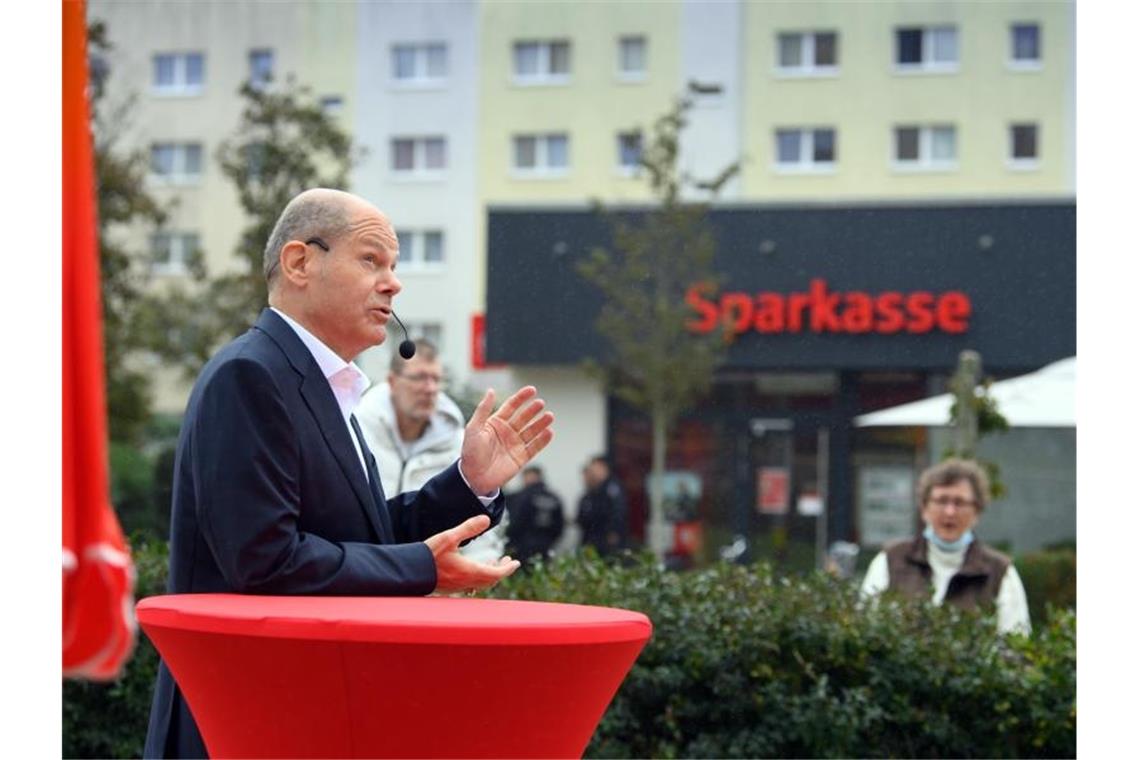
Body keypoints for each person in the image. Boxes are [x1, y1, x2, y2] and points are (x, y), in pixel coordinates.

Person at [143, 188, 554, 759]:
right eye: (371, 260)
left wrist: (470, 483)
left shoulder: (316, 383)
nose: (393, 283)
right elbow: (264, 559)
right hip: (240, 721)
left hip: (299, 714)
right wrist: (419, 568)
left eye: (394, 266)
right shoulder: (250, 375)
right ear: (300, 262)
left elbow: (359, 535)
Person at [354, 339, 507, 563]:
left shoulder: (459, 444)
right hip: (362, 573)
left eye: (436, 379)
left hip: (436, 586)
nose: (430, 388)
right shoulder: (357, 433)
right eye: (419, 377)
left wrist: (477, 568)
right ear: (392, 381)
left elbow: (481, 530)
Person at [860, 458, 1031, 635]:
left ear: (977, 512)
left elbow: (1016, 643)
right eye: (942, 501)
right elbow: (866, 630)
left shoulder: (1000, 572)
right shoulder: (890, 560)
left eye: (959, 502)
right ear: (924, 508)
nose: (950, 512)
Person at [505, 465, 565, 564]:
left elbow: (514, 522)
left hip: (521, 549)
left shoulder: (521, 496)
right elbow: (559, 526)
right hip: (545, 547)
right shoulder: (554, 497)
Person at [576, 455, 628, 556]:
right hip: (593, 538)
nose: (592, 471)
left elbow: (618, 512)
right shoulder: (595, 490)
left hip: (606, 541)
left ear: (602, 467)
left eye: (594, 467)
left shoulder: (612, 488)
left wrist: (613, 532)